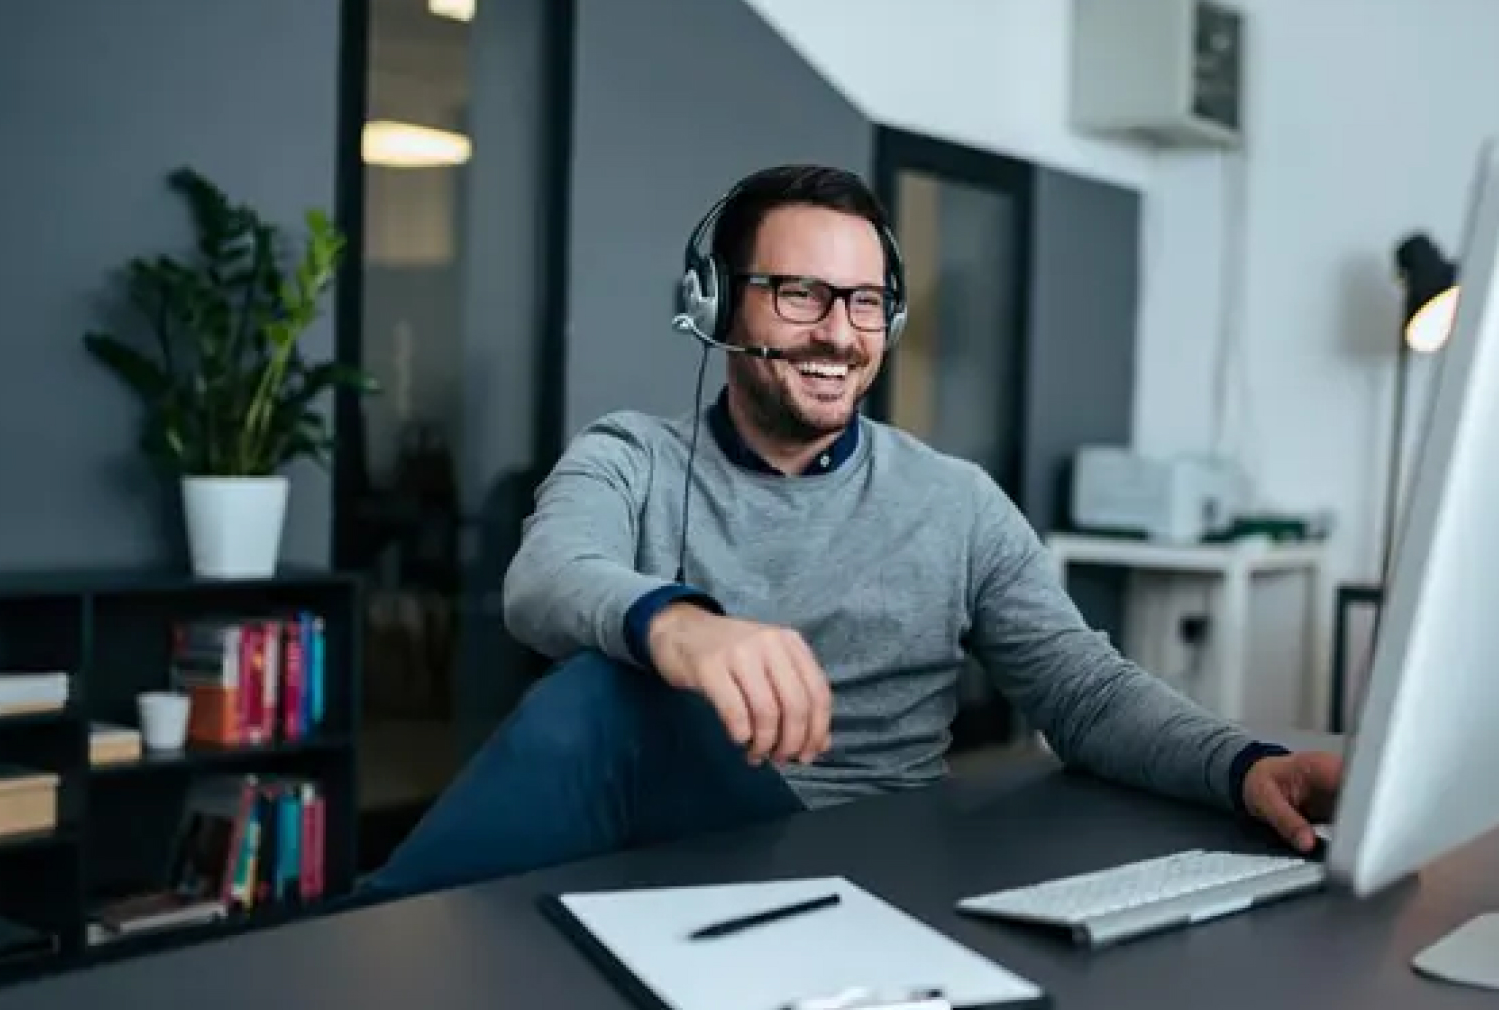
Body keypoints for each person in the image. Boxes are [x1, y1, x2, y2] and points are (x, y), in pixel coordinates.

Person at [366, 165, 1343, 897]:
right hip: (676, 854)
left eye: (866, 300)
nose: (839, 331)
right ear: (712, 301)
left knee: (609, 700)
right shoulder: (632, 455)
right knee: (610, 696)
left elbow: (1085, 692)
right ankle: (344, 952)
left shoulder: (956, 499)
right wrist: (680, 626)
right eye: (800, 294)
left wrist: (1243, 763)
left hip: (875, 870)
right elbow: (544, 577)